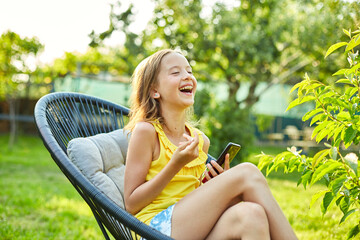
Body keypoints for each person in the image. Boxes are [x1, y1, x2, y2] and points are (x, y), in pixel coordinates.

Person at [124, 49, 297, 240]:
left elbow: (191, 198)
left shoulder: (200, 141)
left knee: (251, 215)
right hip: (154, 230)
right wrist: (175, 165)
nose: (187, 77)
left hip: (190, 228)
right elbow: (131, 204)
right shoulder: (147, 132)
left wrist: (216, 185)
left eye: (189, 71)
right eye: (176, 72)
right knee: (247, 172)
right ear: (154, 91)